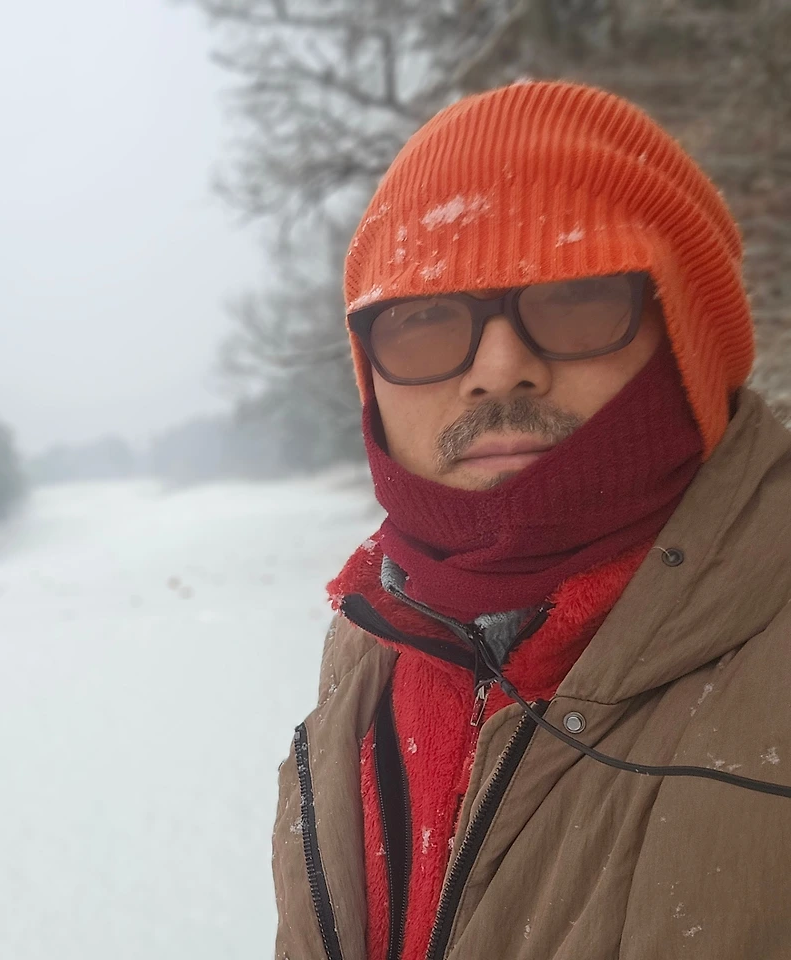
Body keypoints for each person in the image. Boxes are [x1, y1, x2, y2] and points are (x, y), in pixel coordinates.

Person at [271, 81, 791, 960]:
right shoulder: (366, 649)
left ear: (687, 339)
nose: (499, 368)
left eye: (577, 298)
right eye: (426, 319)